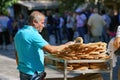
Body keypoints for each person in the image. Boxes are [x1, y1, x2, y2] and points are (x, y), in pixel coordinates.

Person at [14, 11, 73, 80]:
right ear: (34, 22)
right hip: (33, 73)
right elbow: (51, 50)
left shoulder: (19, 33)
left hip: (24, 71)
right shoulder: (33, 34)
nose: (43, 25)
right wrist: (67, 45)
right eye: (42, 23)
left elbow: (17, 53)